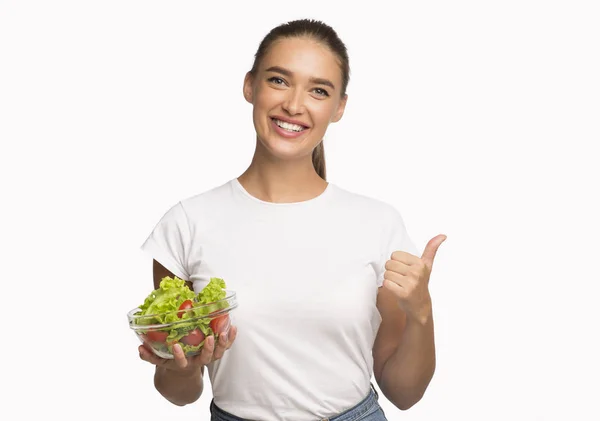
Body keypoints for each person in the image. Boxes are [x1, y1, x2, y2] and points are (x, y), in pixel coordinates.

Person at [137, 18, 446, 421]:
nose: (295, 105)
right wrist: (183, 365)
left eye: (319, 90)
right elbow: (179, 393)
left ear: (339, 108)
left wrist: (421, 311)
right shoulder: (185, 225)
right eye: (279, 81)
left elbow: (404, 393)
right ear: (250, 86)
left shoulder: (378, 223)